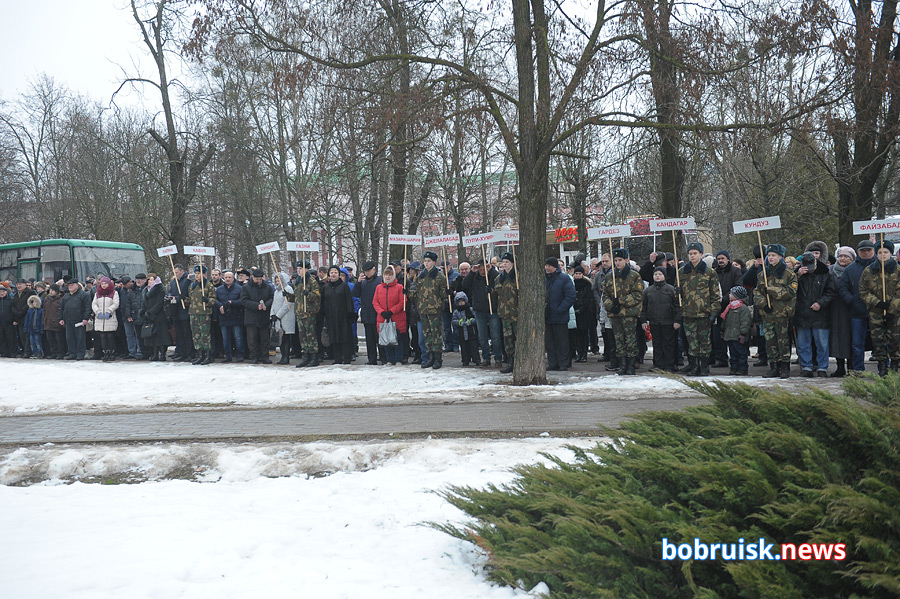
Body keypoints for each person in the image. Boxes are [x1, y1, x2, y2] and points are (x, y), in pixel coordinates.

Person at [677, 242, 721, 376]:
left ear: (701, 254)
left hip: (704, 312)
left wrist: (714, 312)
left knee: (705, 342)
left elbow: (715, 294)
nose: (692, 256)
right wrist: (677, 291)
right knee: (692, 342)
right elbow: (677, 294)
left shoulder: (709, 272)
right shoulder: (682, 271)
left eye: (695, 253)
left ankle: (704, 367)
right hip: (688, 312)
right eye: (690, 254)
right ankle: (694, 366)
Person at [793, 243, 836, 377]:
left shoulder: (826, 273)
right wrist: (797, 276)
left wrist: (820, 303)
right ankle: (806, 366)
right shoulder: (798, 274)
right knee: (803, 344)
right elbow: (789, 290)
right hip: (802, 313)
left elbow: (831, 292)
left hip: (820, 314)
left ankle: (822, 367)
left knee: (822, 343)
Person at [755, 244, 798, 378]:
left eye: (773, 255)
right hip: (768, 314)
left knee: (783, 341)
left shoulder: (788, 274)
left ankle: (785, 367)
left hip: (782, 314)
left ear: (780, 257)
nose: (771, 258)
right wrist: (763, 304)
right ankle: (773, 366)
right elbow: (757, 292)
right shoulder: (763, 274)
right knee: (770, 341)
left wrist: (772, 290)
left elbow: (791, 292)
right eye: (769, 255)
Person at [859, 240, 900, 376]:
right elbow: (863, 291)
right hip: (876, 312)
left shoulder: (897, 269)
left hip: (895, 313)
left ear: (890, 253)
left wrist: (891, 308)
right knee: (878, 340)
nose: (883, 255)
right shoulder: (869, 271)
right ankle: (882, 366)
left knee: (895, 339)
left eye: (886, 252)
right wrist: (877, 303)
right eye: (880, 252)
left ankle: (894, 364)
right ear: (876, 254)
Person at [600, 248, 643, 375]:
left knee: (630, 339)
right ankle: (622, 364)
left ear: (626, 260)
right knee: (618, 340)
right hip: (615, 314)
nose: (618, 263)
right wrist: (610, 305)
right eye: (616, 260)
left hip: (629, 314)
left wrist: (620, 301)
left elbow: (637, 295)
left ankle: (631, 364)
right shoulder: (610, 276)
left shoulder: (634, 276)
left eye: (620, 260)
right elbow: (605, 295)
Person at [837, 239, 877, 373]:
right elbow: (843, 288)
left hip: (878, 311)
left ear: (873, 251)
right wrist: (853, 301)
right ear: (858, 252)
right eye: (863, 250)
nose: (866, 253)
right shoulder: (850, 269)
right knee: (857, 343)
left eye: (868, 250)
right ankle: (858, 369)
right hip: (857, 312)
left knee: (881, 342)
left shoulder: (882, 267)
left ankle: (884, 368)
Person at [408, 251, 449, 369]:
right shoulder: (420, 276)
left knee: (436, 334)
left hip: (435, 309)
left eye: (429, 261)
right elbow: (416, 293)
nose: (426, 263)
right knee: (427, 335)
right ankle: (430, 357)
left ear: (434, 262)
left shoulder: (440, 276)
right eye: (425, 261)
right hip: (423, 309)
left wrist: (448, 292)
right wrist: (408, 292)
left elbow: (443, 294)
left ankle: (438, 358)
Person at [461, 259, 502, 367]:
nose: (483, 272)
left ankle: (498, 358)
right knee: (482, 337)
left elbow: (499, 279)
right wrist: (472, 272)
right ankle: (486, 358)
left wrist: (491, 270)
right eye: (481, 269)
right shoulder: (475, 278)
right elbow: (465, 284)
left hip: (492, 310)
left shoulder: (493, 277)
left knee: (495, 336)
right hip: (479, 310)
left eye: (485, 269)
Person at [641, 266, 681, 372]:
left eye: (660, 274)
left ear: (664, 276)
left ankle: (669, 364)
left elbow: (677, 306)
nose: (657, 276)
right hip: (654, 321)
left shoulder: (671, 289)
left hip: (668, 321)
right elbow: (643, 307)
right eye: (655, 274)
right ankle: (657, 364)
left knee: (668, 344)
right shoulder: (648, 291)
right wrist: (644, 320)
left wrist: (677, 320)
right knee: (657, 344)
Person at [712, 250, 744, 367]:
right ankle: (721, 358)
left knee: (732, 335)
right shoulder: (714, 272)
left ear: (728, 259)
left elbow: (738, 286)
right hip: (718, 307)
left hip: (732, 307)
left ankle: (736, 360)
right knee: (717, 335)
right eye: (719, 259)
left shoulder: (735, 271)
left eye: (723, 258)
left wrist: (725, 298)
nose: (720, 261)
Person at [287, 261, 322, 368]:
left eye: (301, 268)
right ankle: (305, 357)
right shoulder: (297, 282)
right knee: (302, 337)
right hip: (299, 313)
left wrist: (309, 294)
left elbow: (317, 297)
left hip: (309, 312)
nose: (298, 271)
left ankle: (314, 357)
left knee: (310, 336)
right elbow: (297, 298)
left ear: (306, 269)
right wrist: (288, 296)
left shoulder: (311, 281)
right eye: (297, 268)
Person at [545, 256, 576, 372]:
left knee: (562, 341)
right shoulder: (544, 278)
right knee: (550, 342)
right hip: (548, 316)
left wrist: (560, 309)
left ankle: (563, 363)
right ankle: (553, 363)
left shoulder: (564, 279)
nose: (547, 268)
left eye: (549, 266)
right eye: (546, 265)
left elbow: (571, 296)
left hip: (560, 315)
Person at [372, 265, 407, 365]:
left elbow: (402, 302)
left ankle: (398, 359)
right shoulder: (378, 288)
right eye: (386, 275)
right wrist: (381, 312)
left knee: (397, 339)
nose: (387, 277)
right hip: (383, 318)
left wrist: (392, 311)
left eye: (390, 275)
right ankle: (389, 359)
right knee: (386, 341)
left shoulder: (399, 287)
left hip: (396, 318)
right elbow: (375, 302)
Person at [829, 247, 855, 377]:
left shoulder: (854, 270)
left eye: (846, 256)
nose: (843, 259)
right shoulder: (830, 271)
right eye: (841, 256)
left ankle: (851, 367)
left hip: (850, 308)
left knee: (850, 338)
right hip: (833, 308)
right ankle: (839, 366)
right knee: (836, 338)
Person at [321, 265, 355, 364]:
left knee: (344, 338)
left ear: (339, 274)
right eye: (331, 272)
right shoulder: (326, 288)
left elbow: (349, 301)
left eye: (335, 272)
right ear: (329, 275)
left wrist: (350, 315)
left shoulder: (344, 286)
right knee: (334, 338)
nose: (333, 274)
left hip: (343, 317)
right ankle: (337, 359)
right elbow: (323, 302)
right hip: (331, 317)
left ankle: (347, 358)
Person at [240, 268, 275, 364]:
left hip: (263, 317)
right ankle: (254, 356)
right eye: (257, 279)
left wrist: (266, 305)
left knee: (264, 339)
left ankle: (265, 356)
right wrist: (256, 306)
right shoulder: (246, 287)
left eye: (260, 279)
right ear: (252, 277)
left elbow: (271, 298)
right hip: (251, 317)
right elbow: (244, 300)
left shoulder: (267, 287)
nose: (259, 281)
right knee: (252, 339)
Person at [353, 260, 384, 366]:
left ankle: (383, 357)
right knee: (369, 340)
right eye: (365, 271)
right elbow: (356, 294)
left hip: (378, 314)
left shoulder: (380, 281)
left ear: (374, 270)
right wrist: (358, 282)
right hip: (366, 314)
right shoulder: (363, 282)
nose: (367, 273)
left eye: (369, 271)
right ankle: (372, 359)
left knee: (379, 338)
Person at [188, 265, 218, 365]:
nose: (197, 275)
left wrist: (208, 301)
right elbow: (191, 300)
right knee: (196, 335)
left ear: (203, 274)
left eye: (199, 274)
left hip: (204, 313)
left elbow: (214, 300)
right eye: (195, 274)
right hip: (193, 313)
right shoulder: (192, 286)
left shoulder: (208, 285)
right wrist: (183, 299)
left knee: (205, 335)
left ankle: (208, 355)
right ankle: (200, 355)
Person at [495, 252, 518, 374]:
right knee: (508, 340)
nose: (504, 264)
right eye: (503, 262)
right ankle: (511, 361)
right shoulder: (499, 278)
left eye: (507, 262)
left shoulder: (519, 277)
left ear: (513, 263)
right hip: (504, 314)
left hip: (516, 313)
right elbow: (495, 295)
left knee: (518, 338)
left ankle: (520, 361)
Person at [721, 286, 752, 375]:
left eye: (731, 294)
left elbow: (745, 322)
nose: (730, 295)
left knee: (741, 353)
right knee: (733, 353)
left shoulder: (743, 308)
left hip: (739, 336)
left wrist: (743, 333)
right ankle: (734, 368)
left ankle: (742, 368)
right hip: (730, 334)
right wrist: (723, 329)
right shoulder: (729, 307)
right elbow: (725, 320)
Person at [59, 279, 92, 360]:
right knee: (70, 338)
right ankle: (72, 353)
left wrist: (85, 318)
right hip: (68, 320)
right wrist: (61, 318)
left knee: (80, 338)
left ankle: (80, 354)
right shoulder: (66, 296)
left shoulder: (83, 295)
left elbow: (88, 308)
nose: (70, 287)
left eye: (72, 285)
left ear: (77, 285)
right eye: (69, 285)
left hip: (79, 321)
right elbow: (61, 308)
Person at [216, 271, 245, 363]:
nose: (227, 279)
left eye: (229, 277)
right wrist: (219, 305)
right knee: (225, 338)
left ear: (233, 278)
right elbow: (215, 299)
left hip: (236, 316)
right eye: (226, 277)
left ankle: (240, 355)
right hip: (223, 317)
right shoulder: (219, 289)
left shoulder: (239, 288)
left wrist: (232, 303)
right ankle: (227, 355)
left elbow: (242, 301)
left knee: (238, 337)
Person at [91, 277, 120, 362]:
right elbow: (94, 304)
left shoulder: (114, 293)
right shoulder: (97, 293)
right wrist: (97, 312)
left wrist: (109, 311)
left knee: (110, 335)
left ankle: (112, 352)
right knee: (102, 335)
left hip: (110, 317)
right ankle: (105, 353)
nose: (103, 285)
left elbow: (116, 303)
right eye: (102, 284)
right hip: (100, 318)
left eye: (105, 284)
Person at [572, 265, 595, 362]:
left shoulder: (587, 284)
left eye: (579, 274)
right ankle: (579, 352)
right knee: (577, 335)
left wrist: (581, 309)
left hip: (584, 312)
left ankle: (584, 354)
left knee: (584, 334)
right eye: (576, 273)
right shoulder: (572, 284)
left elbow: (588, 298)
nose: (577, 275)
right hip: (574, 311)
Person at [452, 291, 479, 365]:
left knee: (474, 346)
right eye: (459, 301)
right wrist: (459, 322)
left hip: (471, 332)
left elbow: (476, 318)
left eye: (462, 301)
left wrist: (470, 321)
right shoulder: (456, 312)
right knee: (464, 348)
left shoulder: (470, 309)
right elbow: (453, 321)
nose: (461, 303)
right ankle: (465, 360)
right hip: (461, 333)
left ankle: (476, 359)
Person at [11, 279, 36, 357]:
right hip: (18, 318)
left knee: (27, 336)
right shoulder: (15, 294)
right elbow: (13, 305)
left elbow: (29, 304)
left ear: (25, 285)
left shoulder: (30, 293)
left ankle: (28, 351)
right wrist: (16, 313)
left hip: (27, 317)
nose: (19, 286)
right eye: (17, 284)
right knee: (21, 336)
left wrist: (21, 312)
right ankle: (24, 350)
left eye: (20, 284)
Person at [41, 284, 65, 359]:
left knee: (59, 339)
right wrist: (44, 319)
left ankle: (60, 353)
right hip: (48, 322)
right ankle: (53, 353)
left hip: (57, 322)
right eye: (50, 290)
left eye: (53, 290)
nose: (51, 292)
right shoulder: (47, 299)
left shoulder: (61, 299)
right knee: (50, 339)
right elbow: (44, 310)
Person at [0, 285, 15, 357]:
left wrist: (14, 319)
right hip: (0, 322)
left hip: (9, 322)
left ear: (6, 292)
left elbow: (13, 311)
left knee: (11, 338)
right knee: (2, 338)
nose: (1, 293)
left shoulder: (10, 300)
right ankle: (3, 352)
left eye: (3, 291)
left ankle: (12, 352)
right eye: (0, 292)